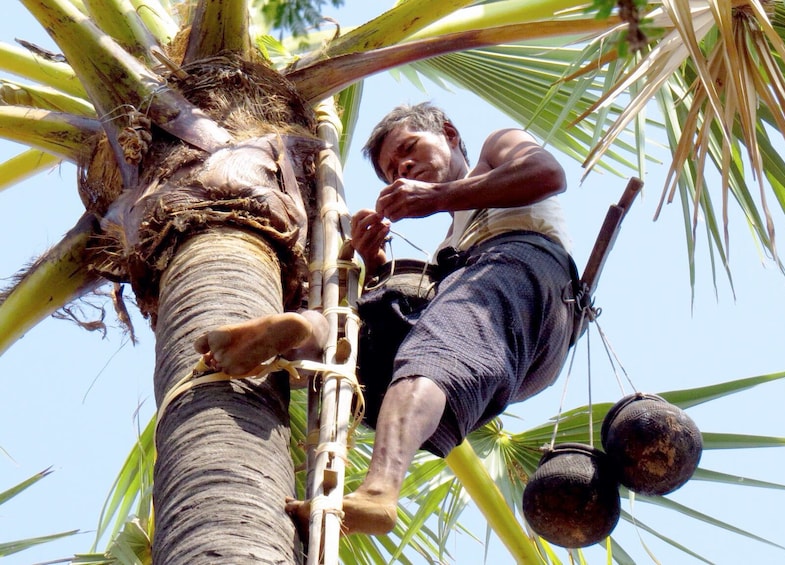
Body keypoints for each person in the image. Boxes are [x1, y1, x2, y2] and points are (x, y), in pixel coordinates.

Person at [195, 102, 577, 536]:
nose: (404, 169)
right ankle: (308, 331)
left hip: (529, 271)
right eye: (393, 170)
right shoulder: (450, 245)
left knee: (436, 349)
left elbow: (547, 174)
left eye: (409, 149)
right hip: (506, 352)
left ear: (449, 133)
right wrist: (373, 259)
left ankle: (379, 494)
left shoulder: (496, 146)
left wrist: (434, 198)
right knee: (375, 345)